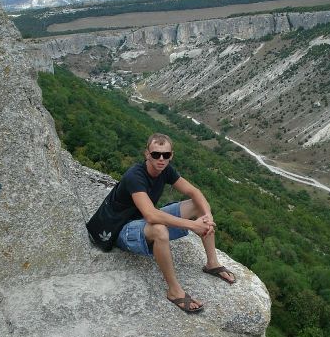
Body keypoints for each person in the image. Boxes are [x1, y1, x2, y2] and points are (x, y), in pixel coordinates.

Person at [86, 132, 236, 313]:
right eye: (156, 154)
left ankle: (212, 263)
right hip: (121, 229)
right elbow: (151, 215)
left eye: (166, 155)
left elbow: (195, 192)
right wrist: (193, 225)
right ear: (147, 154)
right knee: (159, 230)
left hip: (141, 221)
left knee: (198, 206)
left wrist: (208, 216)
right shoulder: (135, 176)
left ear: (171, 155)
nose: (161, 159)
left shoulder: (166, 170)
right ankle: (174, 291)